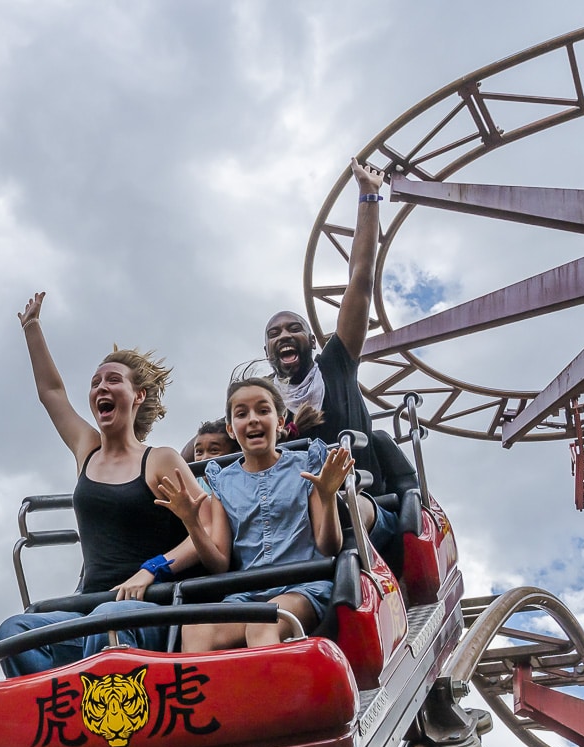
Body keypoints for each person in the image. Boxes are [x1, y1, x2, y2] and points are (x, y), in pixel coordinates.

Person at [0, 292, 211, 678]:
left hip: (151, 608)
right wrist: (32, 329)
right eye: (95, 383)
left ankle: (113, 717)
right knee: (14, 632)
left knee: (108, 620)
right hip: (91, 607)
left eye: (113, 380)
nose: (101, 388)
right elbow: (52, 394)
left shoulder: (159, 459)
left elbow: (208, 530)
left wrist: (153, 569)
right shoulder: (87, 450)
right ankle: (71, 714)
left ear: (138, 396)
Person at [263, 160, 420, 554]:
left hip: (358, 497)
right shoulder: (262, 401)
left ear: (312, 341)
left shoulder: (333, 366)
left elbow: (360, 280)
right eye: (274, 333)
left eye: (293, 328)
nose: (284, 335)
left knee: (345, 510)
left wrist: (368, 195)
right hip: (289, 512)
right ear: (267, 352)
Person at [153, 378, 355, 651]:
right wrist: (192, 521)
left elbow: (329, 546)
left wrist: (328, 497)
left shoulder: (306, 465)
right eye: (242, 414)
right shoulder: (223, 481)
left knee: (264, 623)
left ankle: (276, 692)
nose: (253, 420)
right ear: (231, 429)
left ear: (280, 422)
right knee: (196, 630)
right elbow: (220, 563)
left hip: (302, 587)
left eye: (263, 411)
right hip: (247, 593)